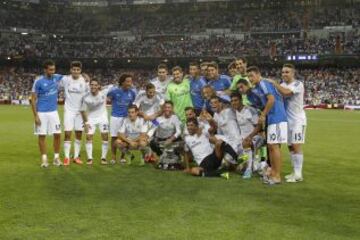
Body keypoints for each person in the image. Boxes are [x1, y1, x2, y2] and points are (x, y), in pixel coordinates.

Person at [246, 66, 288, 184]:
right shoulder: (258, 87)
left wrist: (263, 114)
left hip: (277, 117)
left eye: (252, 75)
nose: (250, 78)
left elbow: (271, 100)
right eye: (248, 76)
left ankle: (277, 176)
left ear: (258, 74)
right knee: (271, 146)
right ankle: (273, 172)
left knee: (274, 147)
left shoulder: (264, 83)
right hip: (272, 118)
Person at [265, 64, 307, 183]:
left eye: (287, 72)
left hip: (297, 119)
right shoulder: (282, 85)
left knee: (296, 145)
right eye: (283, 72)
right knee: (290, 146)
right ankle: (295, 172)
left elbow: (286, 93)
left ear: (293, 73)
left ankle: (298, 174)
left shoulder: (298, 84)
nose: (284, 74)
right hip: (285, 120)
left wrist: (273, 83)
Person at [31, 59, 62, 167]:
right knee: (42, 135)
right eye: (50, 70)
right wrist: (36, 116)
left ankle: (56, 158)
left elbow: (72, 77)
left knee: (58, 134)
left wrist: (84, 78)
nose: (52, 72)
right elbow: (33, 99)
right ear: (45, 70)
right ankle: (44, 159)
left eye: (54, 69)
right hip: (41, 113)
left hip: (54, 112)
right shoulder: (38, 81)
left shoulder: (57, 77)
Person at [60, 61, 89, 166]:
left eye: (78, 70)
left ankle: (76, 157)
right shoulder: (65, 79)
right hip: (69, 111)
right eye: (74, 69)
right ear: (70, 70)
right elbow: (54, 78)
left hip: (80, 112)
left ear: (80, 71)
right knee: (67, 133)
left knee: (79, 134)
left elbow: (87, 96)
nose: (76, 71)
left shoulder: (85, 82)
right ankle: (67, 157)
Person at [230, 93, 263, 179]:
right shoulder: (234, 112)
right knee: (235, 165)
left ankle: (249, 170)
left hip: (256, 137)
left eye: (236, 100)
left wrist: (250, 136)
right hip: (242, 138)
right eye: (232, 101)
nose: (234, 103)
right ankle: (257, 165)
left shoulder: (250, 110)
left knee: (245, 143)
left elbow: (259, 126)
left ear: (241, 100)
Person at [80, 79, 111, 165]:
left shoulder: (104, 93)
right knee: (88, 137)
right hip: (91, 118)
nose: (93, 86)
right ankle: (90, 158)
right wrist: (86, 123)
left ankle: (103, 158)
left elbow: (113, 86)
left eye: (95, 85)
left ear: (98, 86)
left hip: (103, 117)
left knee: (105, 136)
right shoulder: (85, 97)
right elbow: (82, 111)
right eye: (92, 85)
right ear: (89, 86)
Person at [107, 73, 137, 164]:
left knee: (125, 138)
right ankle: (113, 157)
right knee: (113, 137)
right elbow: (108, 99)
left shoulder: (132, 93)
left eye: (131, 81)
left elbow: (132, 105)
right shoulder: (114, 91)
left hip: (126, 118)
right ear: (122, 82)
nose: (130, 83)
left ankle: (123, 157)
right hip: (115, 117)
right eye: (128, 81)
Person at [207, 96, 242, 164]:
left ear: (221, 103)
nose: (213, 105)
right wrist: (210, 121)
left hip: (236, 140)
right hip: (226, 140)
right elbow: (213, 130)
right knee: (211, 139)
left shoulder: (229, 111)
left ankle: (235, 158)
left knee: (231, 163)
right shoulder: (215, 115)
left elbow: (231, 103)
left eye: (215, 102)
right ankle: (219, 162)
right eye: (211, 103)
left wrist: (215, 94)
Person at [148, 101, 182, 169]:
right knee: (151, 142)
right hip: (159, 141)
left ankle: (176, 155)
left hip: (170, 140)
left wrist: (171, 139)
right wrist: (147, 136)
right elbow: (152, 129)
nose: (167, 109)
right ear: (163, 108)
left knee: (181, 139)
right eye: (166, 107)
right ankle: (160, 155)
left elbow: (179, 131)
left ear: (172, 109)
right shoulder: (158, 119)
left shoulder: (175, 118)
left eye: (169, 107)